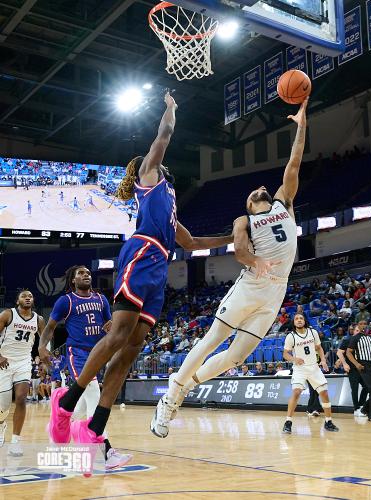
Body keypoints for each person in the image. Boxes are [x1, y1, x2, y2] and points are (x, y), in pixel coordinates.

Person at [46, 93, 232, 447]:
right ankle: (67, 402)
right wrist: (171, 109)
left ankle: (94, 427)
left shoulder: (171, 203)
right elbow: (163, 137)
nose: (160, 160)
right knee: (117, 336)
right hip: (142, 251)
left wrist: (236, 239)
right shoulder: (150, 178)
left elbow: (191, 243)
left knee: (132, 347)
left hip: (160, 264)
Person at [151, 98, 309, 438]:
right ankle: (170, 398)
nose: (262, 188)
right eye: (255, 192)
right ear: (250, 204)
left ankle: (185, 385)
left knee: (236, 357)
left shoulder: (285, 201)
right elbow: (238, 250)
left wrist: (302, 124)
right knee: (213, 339)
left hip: (275, 291)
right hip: (252, 283)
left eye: (263, 188)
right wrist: (256, 260)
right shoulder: (244, 219)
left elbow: (294, 163)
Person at [39, 265, 131, 470]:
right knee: (93, 392)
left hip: (98, 351)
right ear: (73, 280)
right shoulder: (66, 301)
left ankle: (58, 422)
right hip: (77, 353)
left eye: (88, 273)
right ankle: (106, 451)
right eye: (81, 273)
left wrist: (111, 325)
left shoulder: (101, 299)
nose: (86, 275)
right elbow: (51, 327)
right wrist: (41, 346)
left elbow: (109, 324)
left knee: (81, 402)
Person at [0, 290, 45, 456]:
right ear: (17, 300)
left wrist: (44, 360)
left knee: (21, 399)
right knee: (3, 406)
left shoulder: (38, 319)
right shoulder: (7, 314)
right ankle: (1, 425)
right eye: (24, 296)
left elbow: (45, 339)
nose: (28, 298)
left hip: (24, 362)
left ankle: (15, 442)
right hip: (4, 362)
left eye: (30, 296)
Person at [282, 314, 338, 433]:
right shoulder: (290, 336)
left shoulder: (313, 332)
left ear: (304, 321)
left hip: (314, 367)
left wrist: (323, 360)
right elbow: (285, 354)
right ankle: (288, 422)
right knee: (296, 392)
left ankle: (328, 421)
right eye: (296, 319)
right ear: (294, 322)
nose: (299, 320)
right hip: (300, 368)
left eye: (301, 318)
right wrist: (294, 359)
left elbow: (319, 348)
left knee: (324, 393)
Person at [346, 325, 371, 422]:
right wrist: (356, 364)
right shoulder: (355, 338)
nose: (365, 326)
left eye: (365, 324)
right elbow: (348, 352)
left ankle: (364, 409)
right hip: (363, 365)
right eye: (362, 325)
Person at [336, 323, 368, 417]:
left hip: (361, 367)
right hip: (352, 368)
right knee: (354, 389)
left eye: (360, 331)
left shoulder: (363, 340)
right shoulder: (348, 340)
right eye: (357, 331)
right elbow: (339, 352)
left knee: (366, 386)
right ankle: (356, 409)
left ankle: (361, 405)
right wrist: (344, 364)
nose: (359, 333)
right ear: (353, 331)